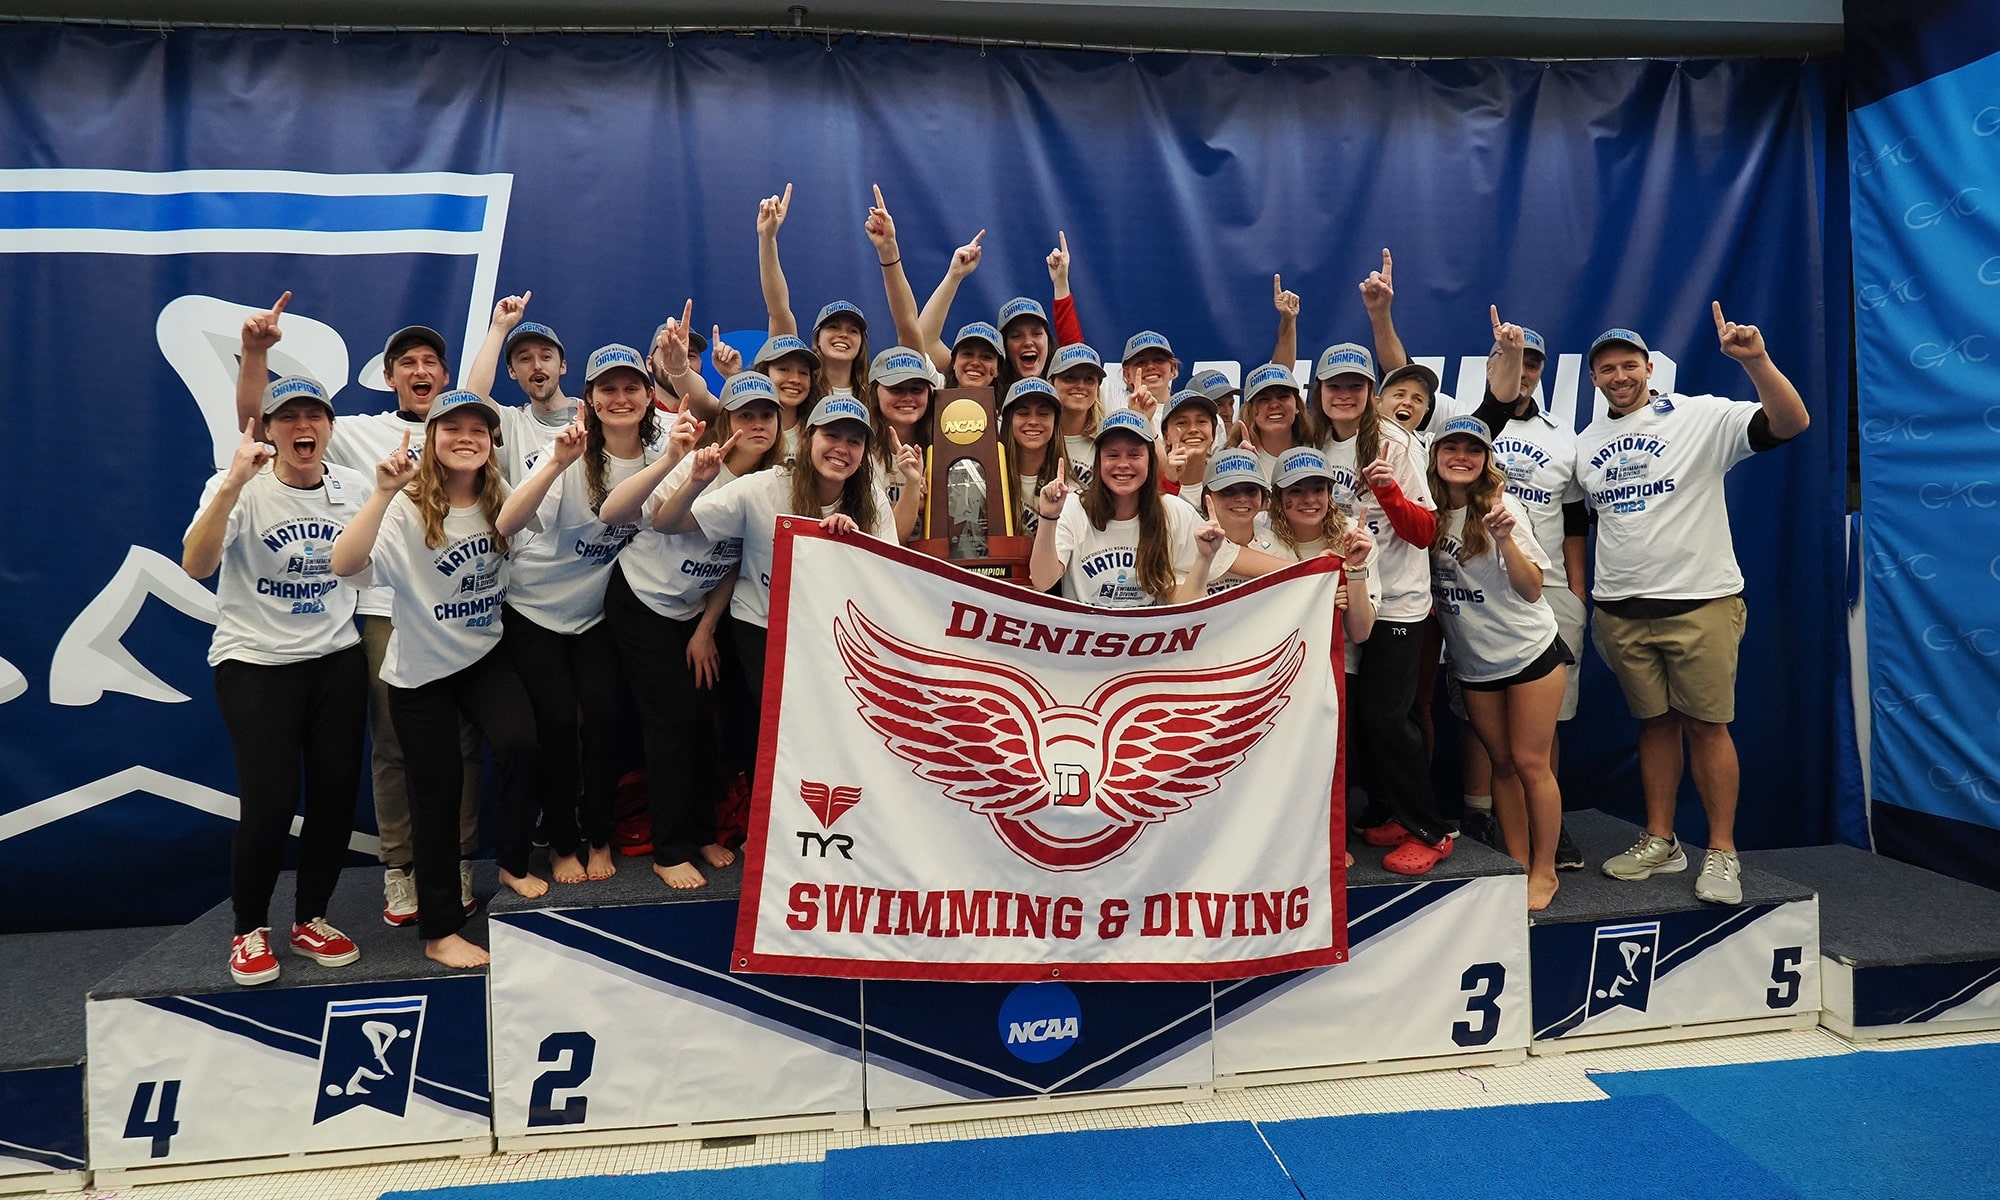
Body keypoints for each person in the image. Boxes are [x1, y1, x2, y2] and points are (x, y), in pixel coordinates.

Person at [233, 296, 481, 927]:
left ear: (446, 377)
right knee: (395, 743)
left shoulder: (472, 426)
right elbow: (259, 427)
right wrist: (257, 354)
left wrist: (501, 328)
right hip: (384, 610)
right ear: (389, 376)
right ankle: (401, 869)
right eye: (407, 363)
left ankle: (450, 860)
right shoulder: (359, 431)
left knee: (463, 741)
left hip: (461, 611)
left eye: (431, 362)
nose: (420, 371)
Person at [1582, 307, 1809, 905]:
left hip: (1699, 600)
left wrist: (1755, 362)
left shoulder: (1699, 414)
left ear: (1649, 368)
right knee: (1653, 724)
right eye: (1606, 368)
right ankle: (1662, 841)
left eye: (1628, 364)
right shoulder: (1584, 445)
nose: (1619, 375)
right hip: (1621, 608)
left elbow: (1790, 422)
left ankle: (1723, 853)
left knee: (1707, 726)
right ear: (1594, 379)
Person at [329, 390, 545, 968]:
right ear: (431, 439)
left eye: (480, 427)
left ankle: (512, 862)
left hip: (484, 654)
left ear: (493, 441)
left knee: (522, 744)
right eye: (453, 428)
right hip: (420, 671)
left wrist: (556, 462)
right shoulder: (405, 506)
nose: (466, 436)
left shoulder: (502, 500)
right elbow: (344, 565)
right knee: (438, 792)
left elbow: (535, 527)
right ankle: (441, 929)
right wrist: (380, 492)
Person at [649, 394, 900, 874]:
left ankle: (819, 838)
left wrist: (854, 544)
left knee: (828, 737)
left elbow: (886, 575)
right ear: (808, 439)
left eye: (854, 441)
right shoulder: (765, 487)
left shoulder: (867, 496)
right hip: (763, 625)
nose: (842, 449)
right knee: (779, 733)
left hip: (831, 633)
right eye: (832, 436)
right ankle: (770, 837)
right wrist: (696, 481)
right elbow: (668, 523)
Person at [183, 376, 369, 985]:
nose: (301, 427)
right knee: (271, 802)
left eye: (313, 416)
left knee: (337, 796)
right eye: (287, 418)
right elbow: (197, 564)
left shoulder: (352, 489)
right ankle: (249, 929)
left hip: (336, 658)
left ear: (329, 429)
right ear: (267, 430)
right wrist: (234, 482)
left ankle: (311, 917)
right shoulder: (239, 488)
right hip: (255, 663)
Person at [601, 371, 788, 890]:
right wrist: (696, 478)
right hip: (643, 601)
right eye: (745, 414)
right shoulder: (698, 461)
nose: (756, 424)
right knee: (673, 723)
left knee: (710, 722)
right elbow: (658, 517)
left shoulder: (774, 481)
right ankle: (670, 848)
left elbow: (736, 562)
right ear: (726, 418)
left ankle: (705, 830)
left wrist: (706, 629)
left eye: (765, 415)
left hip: (697, 611)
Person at [491, 345, 659, 887]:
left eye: (631, 387)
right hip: (533, 608)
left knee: (606, 720)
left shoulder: (662, 451)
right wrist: (558, 462)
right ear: (588, 400)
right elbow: (507, 523)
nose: (620, 398)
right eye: (607, 389)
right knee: (558, 726)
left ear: (649, 395)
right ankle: (564, 841)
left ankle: (600, 835)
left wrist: (682, 368)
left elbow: (709, 412)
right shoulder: (567, 450)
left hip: (594, 615)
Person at [1312, 339, 1448, 875]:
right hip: (1345, 594)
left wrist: (1390, 494)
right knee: (1359, 721)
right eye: (1334, 385)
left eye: (1355, 386)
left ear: (1371, 392)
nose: (1344, 394)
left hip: (1398, 601)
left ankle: (1430, 830)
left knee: (1388, 718)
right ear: (1319, 391)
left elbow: (1426, 531)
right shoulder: (1316, 440)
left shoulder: (1394, 441)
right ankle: (1391, 810)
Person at [1427, 415, 1570, 910]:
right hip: (1474, 663)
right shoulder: (1428, 511)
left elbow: (1532, 590)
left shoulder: (1501, 506)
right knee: (1502, 766)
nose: (1461, 457)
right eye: (1452, 448)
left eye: (1473, 449)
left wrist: (1506, 539)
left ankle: (1546, 870)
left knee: (1531, 764)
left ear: (1487, 460)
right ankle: (1517, 864)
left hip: (1528, 654)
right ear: (1436, 456)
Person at [1030, 410, 1286, 605]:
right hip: (1087, 653)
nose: (1123, 464)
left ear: (1151, 461)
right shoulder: (1074, 508)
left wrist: (1312, 568)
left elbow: (1235, 559)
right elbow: (1043, 581)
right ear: (1098, 462)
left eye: (1134, 454)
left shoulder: (1173, 511)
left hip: (1151, 658)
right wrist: (1048, 517)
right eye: (1112, 455)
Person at [756, 183, 870, 399]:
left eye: (853, 330)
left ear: (862, 343)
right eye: (833, 327)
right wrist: (767, 238)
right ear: (817, 338)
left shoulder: (874, 394)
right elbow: (778, 310)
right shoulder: (800, 387)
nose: (843, 335)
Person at [462, 294, 580, 484]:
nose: (537, 366)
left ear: (563, 366)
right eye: (525, 359)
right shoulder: (513, 423)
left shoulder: (593, 415)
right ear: (512, 371)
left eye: (546, 357)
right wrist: (499, 328)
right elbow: (473, 398)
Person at [860, 347, 935, 542]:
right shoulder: (859, 451)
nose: (907, 397)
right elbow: (888, 541)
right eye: (896, 389)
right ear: (874, 392)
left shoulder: (945, 445)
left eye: (916, 389)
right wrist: (912, 488)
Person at [1001, 378, 1063, 538]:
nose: (1033, 421)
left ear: (1055, 422)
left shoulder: (1069, 488)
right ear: (1009, 421)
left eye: (1043, 414)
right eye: (1023, 413)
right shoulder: (986, 480)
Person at [1240, 362, 1318, 478]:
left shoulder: (1319, 450)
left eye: (1283, 397)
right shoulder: (1237, 457)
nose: (1274, 405)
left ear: (1297, 406)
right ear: (1250, 411)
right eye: (1264, 399)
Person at [1048, 343, 1107, 485]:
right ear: (1051, 382)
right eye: (1070, 377)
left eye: (1089, 379)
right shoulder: (1035, 435)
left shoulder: (1108, 438)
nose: (1080, 385)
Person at [1159, 387, 1219, 507]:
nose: (1193, 429)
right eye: (1181, 423)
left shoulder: (1227, 480)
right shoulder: (1150, 485)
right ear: (1166, 437)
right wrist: (1169, 482)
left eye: (1201, 421)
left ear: (1213, 433)